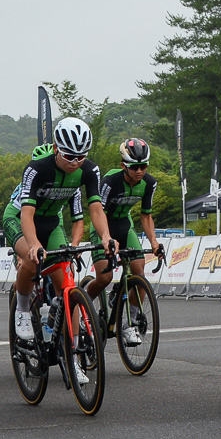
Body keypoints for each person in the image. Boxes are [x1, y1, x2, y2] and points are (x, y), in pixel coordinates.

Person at [5, 117, 113, 384]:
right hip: (19, 218)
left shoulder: (89, 170)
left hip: (51, 223)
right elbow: (27, 214)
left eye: (81, 156)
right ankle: (21, 309)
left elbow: (96, 209)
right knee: (30, 263)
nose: (75, 162)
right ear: (56, 148)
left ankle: (73, 357)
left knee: (68, 288)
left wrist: (107, 236)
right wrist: (34, 246)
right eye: (69, 156)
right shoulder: (36, 169)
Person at [89, 138, 163, 346]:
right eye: (134, 167)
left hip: (124, 226)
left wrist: (154, 241)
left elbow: (146, 216)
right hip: (103, 227)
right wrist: (106, 237)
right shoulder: (110, 182)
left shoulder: (149, 183)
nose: (140, 171)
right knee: (104, 277)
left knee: (139, 270)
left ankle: (128, 324)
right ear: (124, 165)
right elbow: (99, 211)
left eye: (143, 166)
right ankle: (82, 303)